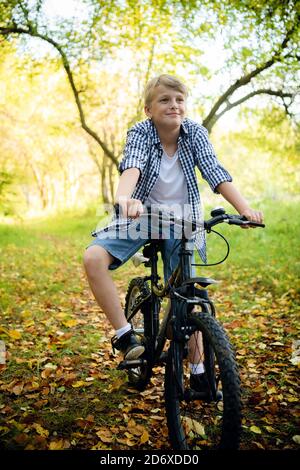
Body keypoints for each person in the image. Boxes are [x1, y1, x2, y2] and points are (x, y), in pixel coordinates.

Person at [83, 74, 263, 388]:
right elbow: (133, 165)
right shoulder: (140, 132)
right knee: (93, 259)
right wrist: (125, 198)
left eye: (179, 100)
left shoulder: (195, 133)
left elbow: (214, 171)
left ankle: (198, 371)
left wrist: (244, 208)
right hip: (141, 213)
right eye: (165, 100)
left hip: (183, 220)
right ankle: (126, 336)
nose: (174, 105)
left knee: (189, 293)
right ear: (148, 109)